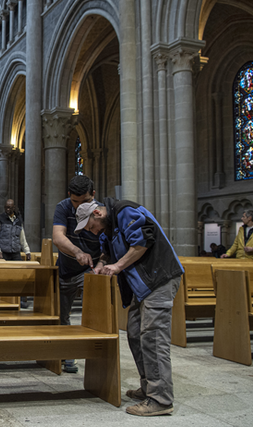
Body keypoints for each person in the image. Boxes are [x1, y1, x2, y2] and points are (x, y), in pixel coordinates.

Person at [75, 198, 183, 417]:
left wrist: (117, 266)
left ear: (97, 213)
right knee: (135, 333)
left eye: (90, 226)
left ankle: (161, 399)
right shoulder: (107, 228)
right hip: (143, 286)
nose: (92, 232)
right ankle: (148, 387)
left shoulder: (125, 211)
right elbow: (107, 254)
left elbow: (141, 242)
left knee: (153, 337)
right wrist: (100, 265)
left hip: (159, 278)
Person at [51, 175, 102, 374]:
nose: (80, 207)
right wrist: (78, 252)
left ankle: (97, 358)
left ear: (94, 195)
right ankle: (67, 354)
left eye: (85, 202)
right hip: (66, 268)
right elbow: (57, 237)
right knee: (62, 316)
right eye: (75, 202)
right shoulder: (63, 207)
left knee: (96, 314)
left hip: (89, 270)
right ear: (69, 195)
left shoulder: (100, 211)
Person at [0, 199, 32, 308]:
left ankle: (22, 299)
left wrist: (27, 251)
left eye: (9, 207)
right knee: (1, 277)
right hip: (3, 253)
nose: (7, 209)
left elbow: (22, 238)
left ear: (14, 208)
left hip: (15, 253)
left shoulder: (18, 221)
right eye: (6, 207)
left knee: (21, 276)